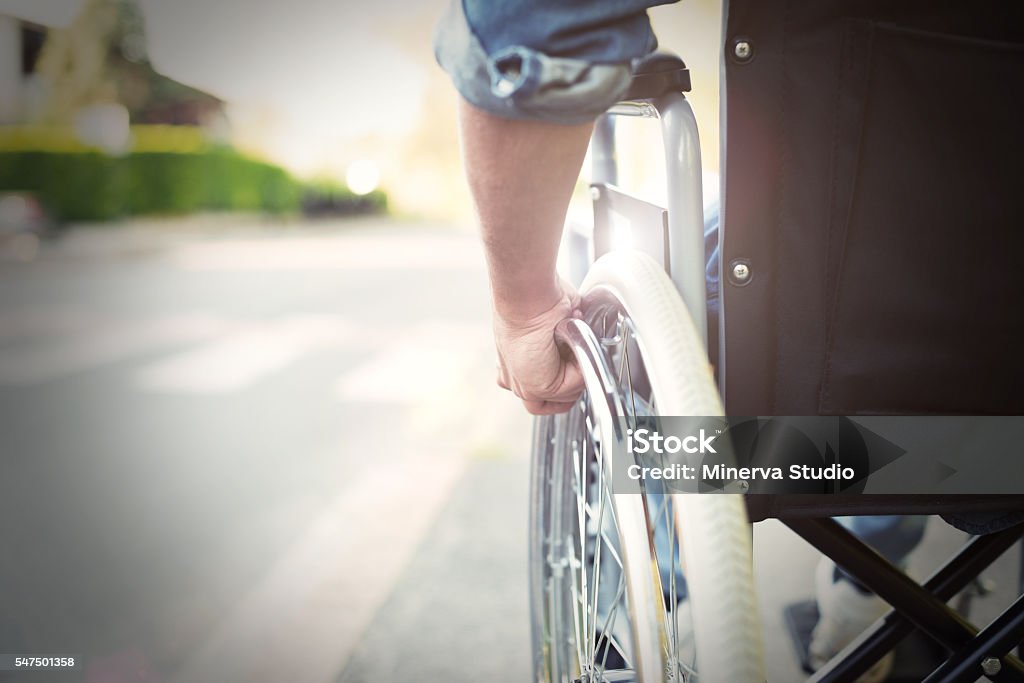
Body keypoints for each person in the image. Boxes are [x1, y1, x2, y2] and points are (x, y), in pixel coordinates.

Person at [433, 1, 1023, 681]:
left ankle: (629, 630)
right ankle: (864, 597)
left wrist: (525, 308)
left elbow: (538, 22)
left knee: (687, 318)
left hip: (798, 436)